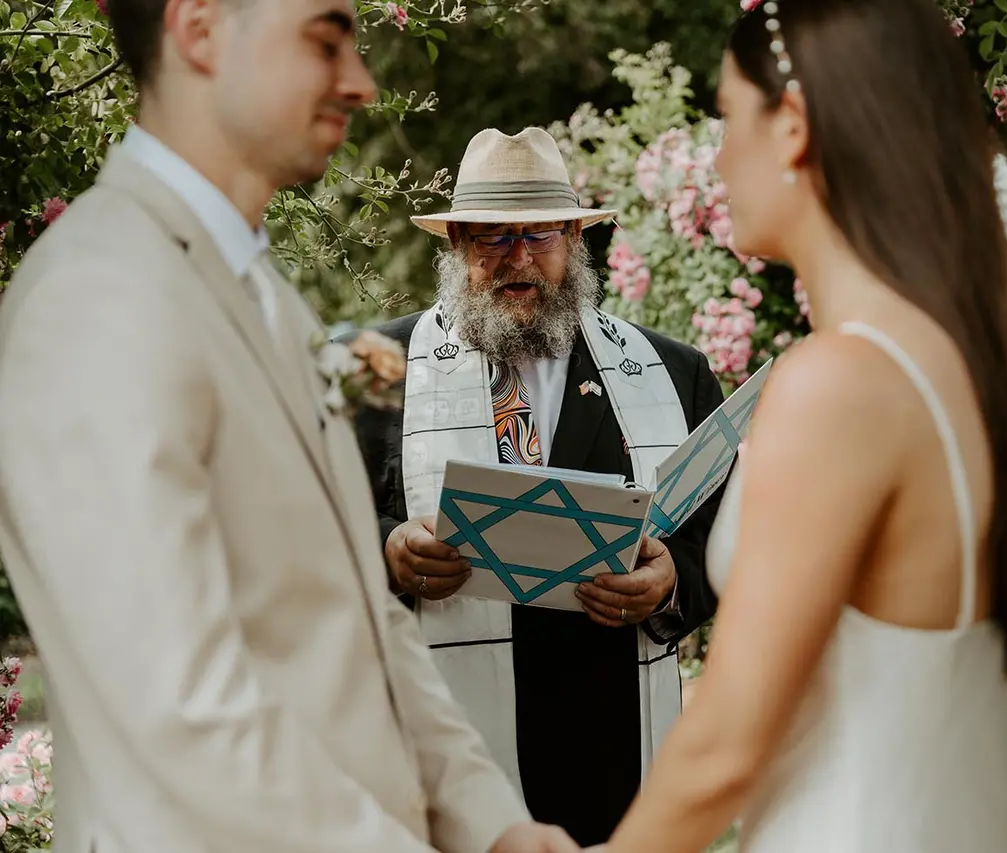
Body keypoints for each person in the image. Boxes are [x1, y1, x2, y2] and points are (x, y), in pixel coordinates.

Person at [0, 2, 576, 852]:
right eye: (325, 39)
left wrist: (494, 826)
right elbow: (181, 708)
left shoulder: (265, 298)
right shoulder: (97, 297)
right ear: (200, 29)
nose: (360, 82)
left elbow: (364, 621)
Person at [591, 0, 1007, 851]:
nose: (718, 156)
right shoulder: (957, 349)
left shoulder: (838, 383)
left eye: (728, 117)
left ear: (793, 126)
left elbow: (724, 749)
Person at [346, 126, 725, 846]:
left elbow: (725, 534)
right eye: (493, 236)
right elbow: (310, 527)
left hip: (614, 750)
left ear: (574, 239)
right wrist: (387, 552)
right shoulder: (374, 372)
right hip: (445, 753)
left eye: (540, 233)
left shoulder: (674, 374)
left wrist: (672, 578)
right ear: (456, 242)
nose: (518, 256)